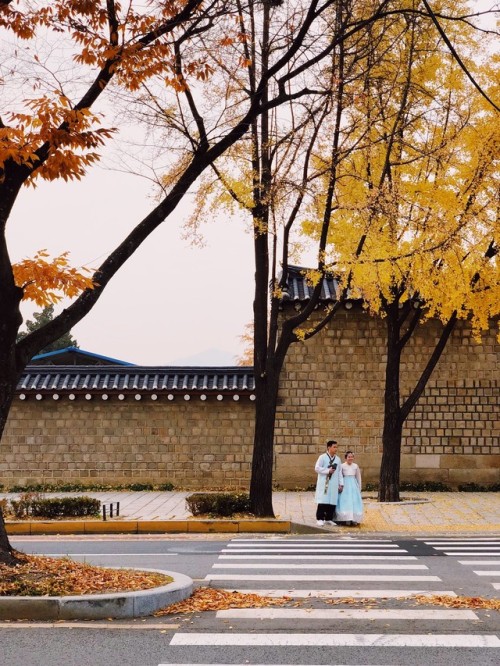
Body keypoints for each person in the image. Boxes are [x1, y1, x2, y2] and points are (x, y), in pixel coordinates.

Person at [314, 439, 344, 526]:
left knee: (332, 500)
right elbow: (317, 468)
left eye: (336, 447)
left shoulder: (337, 459)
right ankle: (320, 518)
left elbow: (339, 472)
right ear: (329, 447)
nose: (336, 449)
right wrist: (328, 470)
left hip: (334, 483)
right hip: (325, 482)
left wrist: (341, 484)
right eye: (334, 447)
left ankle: (328, 518)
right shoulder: (322, 457)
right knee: (323, 500)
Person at [335, 451, 363, 526]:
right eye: (349, 457)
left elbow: (358, 477)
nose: (350, 458)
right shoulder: (342, 466)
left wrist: (359, 487)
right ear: (346, 458)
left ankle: (354, 519)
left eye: (352, 457)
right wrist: (340, 485)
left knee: (354, 501)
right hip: (345, 484)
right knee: (345, 501)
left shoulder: (355, 466)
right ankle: (346, 518)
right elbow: (339, 476)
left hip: (353, 485)